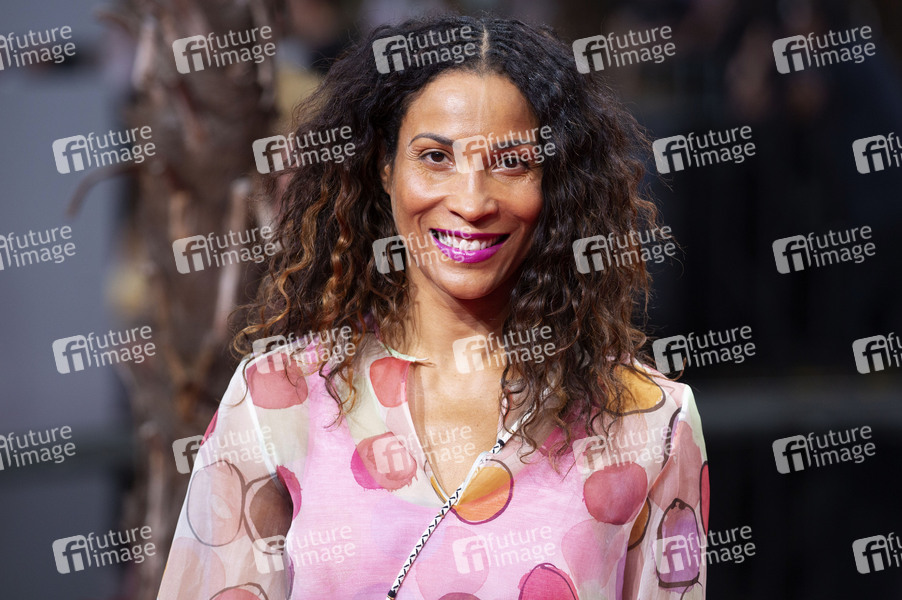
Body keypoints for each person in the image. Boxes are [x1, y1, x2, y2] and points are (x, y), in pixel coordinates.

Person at [157, 14, 709, 600]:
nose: (472, 202)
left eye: (511, 162)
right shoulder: (278, 401)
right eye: (436, 157)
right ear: (384, 168)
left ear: (556, 183)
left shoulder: (650, 424)